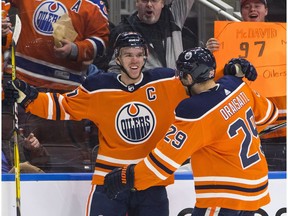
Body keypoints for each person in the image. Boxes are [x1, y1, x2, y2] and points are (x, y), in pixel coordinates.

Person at [4, 31, 189, 216]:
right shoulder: (98, 88)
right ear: (117, 58)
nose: (135, 61)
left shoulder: (165, 82)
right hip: (110, 181)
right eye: (128, 55)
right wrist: (30, 98)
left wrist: (211, 67)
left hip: (151, 181)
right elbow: (64, 107)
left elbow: (203, 89)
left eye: (139, 55)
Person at [103, 47, 279, 215]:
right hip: (256, 189)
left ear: (188, 77)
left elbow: (162, 164)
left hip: (224, 195)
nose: (179, 79)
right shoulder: (236, 85)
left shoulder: (194, 111)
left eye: (181, 75)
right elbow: (269, 115)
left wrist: (128, 177)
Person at [2, 0, 110, 172]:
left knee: (64, 161)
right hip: (21, 83)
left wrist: (75, 49)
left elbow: (101, 41)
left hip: (64, 93)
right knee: (14, 150)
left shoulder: (92, 4)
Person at [206, 0, 286, 170]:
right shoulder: (224, 39)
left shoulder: (283, 37)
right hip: (241, 129)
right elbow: (212, 82)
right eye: (247, 6)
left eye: (257, 5)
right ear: (241, 12)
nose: (252, 9)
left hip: (278, 128)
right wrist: (209, 55)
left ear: (266, 10)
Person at [107, 0, 196, 73]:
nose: (149, 4)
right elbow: (114, 71)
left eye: (154, 0)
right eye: (144, 0)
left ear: (162, 3)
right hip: (144, 92)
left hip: (176, 90)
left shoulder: (173, 16)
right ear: (136, 2)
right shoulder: (123, 31)